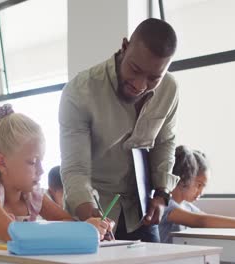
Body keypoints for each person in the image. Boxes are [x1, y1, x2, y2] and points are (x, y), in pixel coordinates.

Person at [59, 18, 179, 242]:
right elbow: (75, 169)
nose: (140, 85)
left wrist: (162, 195)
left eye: (153, 78)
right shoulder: (80, 92)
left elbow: (165, 142)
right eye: (135, 69)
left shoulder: (169, 90)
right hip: (93, 211)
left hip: (140, 213)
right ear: (124, 47)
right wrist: (94, 221)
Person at [0, 104, 111, 241]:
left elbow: (66, 222)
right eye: (32, 162)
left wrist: (90, 227)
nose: (41, 170)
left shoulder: (31, 195)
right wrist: (82, 229)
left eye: (41, 161)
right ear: (2, 163)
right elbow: (13, 234)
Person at [159, 146, 235, 243]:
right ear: (184, 178)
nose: (201, 192)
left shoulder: (187, 207)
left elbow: (210, 220)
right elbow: (202, 221)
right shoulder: (166, 205)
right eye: (199, 185)